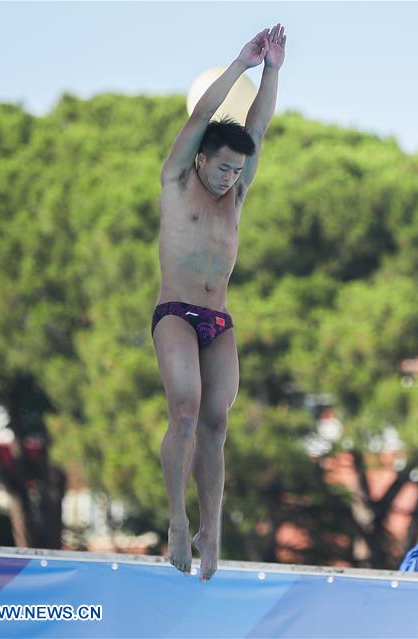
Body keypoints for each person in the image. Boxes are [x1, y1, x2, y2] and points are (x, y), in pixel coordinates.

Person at [152, 24, 286, 582]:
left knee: (215, 424)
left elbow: (257, 124)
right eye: (225, 167)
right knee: (184, 411)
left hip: (219, 320)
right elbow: (201, 118)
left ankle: (212, 527)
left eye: (239, 170)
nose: (232, 177)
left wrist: (273, 69)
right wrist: (239, 64)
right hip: (176, 314)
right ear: (203, 159)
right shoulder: (178, 178)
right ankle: (177, 522)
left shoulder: (235, 192)